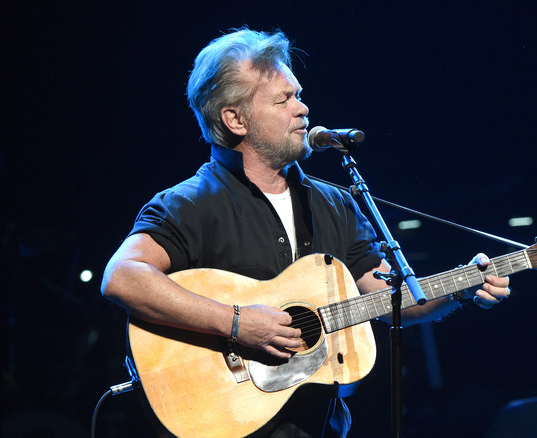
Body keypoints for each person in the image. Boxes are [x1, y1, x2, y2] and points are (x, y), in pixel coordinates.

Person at [100, 28, 510, 438]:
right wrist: (237, 322)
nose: (303, 108)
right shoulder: (189, 204)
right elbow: (123, 277)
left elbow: (391, 300)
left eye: (298, 94)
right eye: (284, 100)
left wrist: (463, 287)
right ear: (235, 119)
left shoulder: (335, 202)